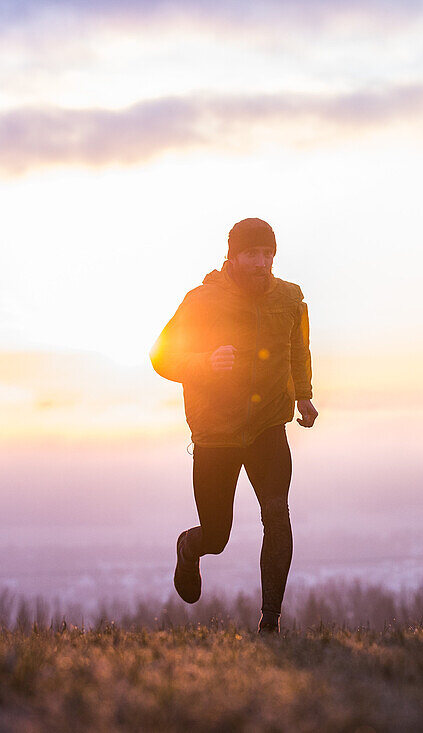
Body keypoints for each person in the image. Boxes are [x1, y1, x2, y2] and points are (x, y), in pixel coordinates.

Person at [150, 218, 317, 634]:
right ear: (233, 257)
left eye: (268, 254)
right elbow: (161, 357)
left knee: (277, 514)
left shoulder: (290, 299)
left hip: (267, 428)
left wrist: (304, 394)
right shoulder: (203, 301)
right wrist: (205, 363)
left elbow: (298, 348)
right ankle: (190, 548)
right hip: (216, 434)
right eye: (252, 254)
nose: (261, 262)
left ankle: (271, 622)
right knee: (217, 536)